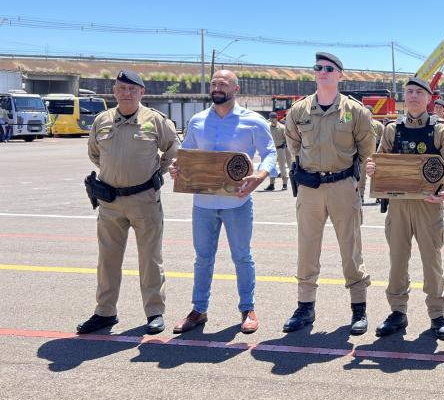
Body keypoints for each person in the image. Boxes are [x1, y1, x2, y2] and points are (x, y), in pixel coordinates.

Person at [170, 70, 276, 335]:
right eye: (214, 83)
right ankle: (199, 310)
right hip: (203, 204)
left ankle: (247, 308)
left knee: (242, 257)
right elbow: (187, 155)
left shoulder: (253, 121)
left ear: (235, 89)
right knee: (203, 258)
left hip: (237, 203)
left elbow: (270, 153)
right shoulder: (197, 121)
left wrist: (260, 176)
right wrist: (177, 168)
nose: (217, 87)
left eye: (223, 84)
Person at [77, 70, 179, 335]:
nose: (127, 93)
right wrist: (116, 174)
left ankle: (155, 312)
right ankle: (105, 312)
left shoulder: (155, 120)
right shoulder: (102, 120)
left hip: (144, 200)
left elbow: (173, 150)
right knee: (107, 259)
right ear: (114, 91)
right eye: (122, 88)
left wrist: (157, 173)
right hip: (110, 202)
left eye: (133, 89)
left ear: (141, 93)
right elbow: (95, 154)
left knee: (150, 259)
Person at [282, 52, 375, 335]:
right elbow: (294, 146)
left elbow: (367, 148)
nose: (322, 72)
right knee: (307, 250)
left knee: (351, 249)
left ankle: (358, 308)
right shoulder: (299, 111)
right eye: (318, 68)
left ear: (339, 75)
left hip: (343, 186)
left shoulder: (355, 111)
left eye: (328, 68)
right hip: (310, 188)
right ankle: (305, 307)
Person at [364, 77, 444, 340]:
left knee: (432, 262)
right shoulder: (392, 130)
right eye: (409, 92)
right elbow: (380, 160)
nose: (413, 96)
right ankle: (397, 311)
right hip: (398, 204)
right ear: (403, 97)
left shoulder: (440, 129)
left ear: (429, 98)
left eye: (419, 92)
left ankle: (437, 313)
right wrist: (373, 168)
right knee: (397, 261)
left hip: (428, 204)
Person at [357, 117, 385, 204]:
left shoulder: (359, 124)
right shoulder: (377, 124)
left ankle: (361, 195)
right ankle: (378, 196)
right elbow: (384, 138)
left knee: (363, 176)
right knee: (375, 175)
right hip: (373, 154)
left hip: (364, 154)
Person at [263, 112, 291, 191]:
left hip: (280, 149)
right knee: (271, 168)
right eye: (271, 118)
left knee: (282, 167)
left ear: (276, 118)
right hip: (271, 150)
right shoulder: (267, 127)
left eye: (273, 118)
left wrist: (284, 145)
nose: (272, 120)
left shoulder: (282, 128)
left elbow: (287, 139)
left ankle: (284, 184)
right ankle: (272, 184)